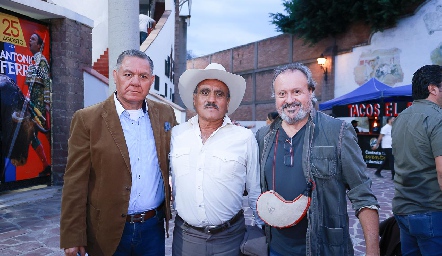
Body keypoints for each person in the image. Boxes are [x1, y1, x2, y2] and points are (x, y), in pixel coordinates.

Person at [60, 49, 177, 256]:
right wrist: (73, 235)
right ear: (115, 76)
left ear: (151, 80)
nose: (135, 82)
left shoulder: (165, 114)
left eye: (143, 76)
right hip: (106, 231)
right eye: (128, 74)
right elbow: (75, 182)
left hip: (153, 229)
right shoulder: (87, 119)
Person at [255, 63, 380, 255]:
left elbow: (362, 193)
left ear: (311, 91)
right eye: (282, 94)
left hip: (325, 249)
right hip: (276, 248)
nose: (289, 100)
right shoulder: (264, 136)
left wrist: (373, 251)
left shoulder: (337, 132)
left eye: (297, 91)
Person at [170, 63, 262, 256]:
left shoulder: (244, 138)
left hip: (230, 239)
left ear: (228, 102)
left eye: (219, 94)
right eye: (205, 92)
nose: (211, 99)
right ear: (194, 99)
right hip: (186, 239)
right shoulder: (176, 135)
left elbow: (255, 192)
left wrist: (262, 232)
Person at [391, 65, 442, 255]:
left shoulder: (400, 118)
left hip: (403, 209)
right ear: (433, 88)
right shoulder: (438, 118)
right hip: (431, 211)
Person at [26, 33, 51, 177]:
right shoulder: (34, 61)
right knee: (33, 135)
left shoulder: (41, 61)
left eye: (33, 39)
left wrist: (46, 104)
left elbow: (46, 83)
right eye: (30, 39)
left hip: (40, 104)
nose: (30, 40)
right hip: (34, 102)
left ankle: (48, 166)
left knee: (42, 133)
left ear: (39, 45)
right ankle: (46, 166)